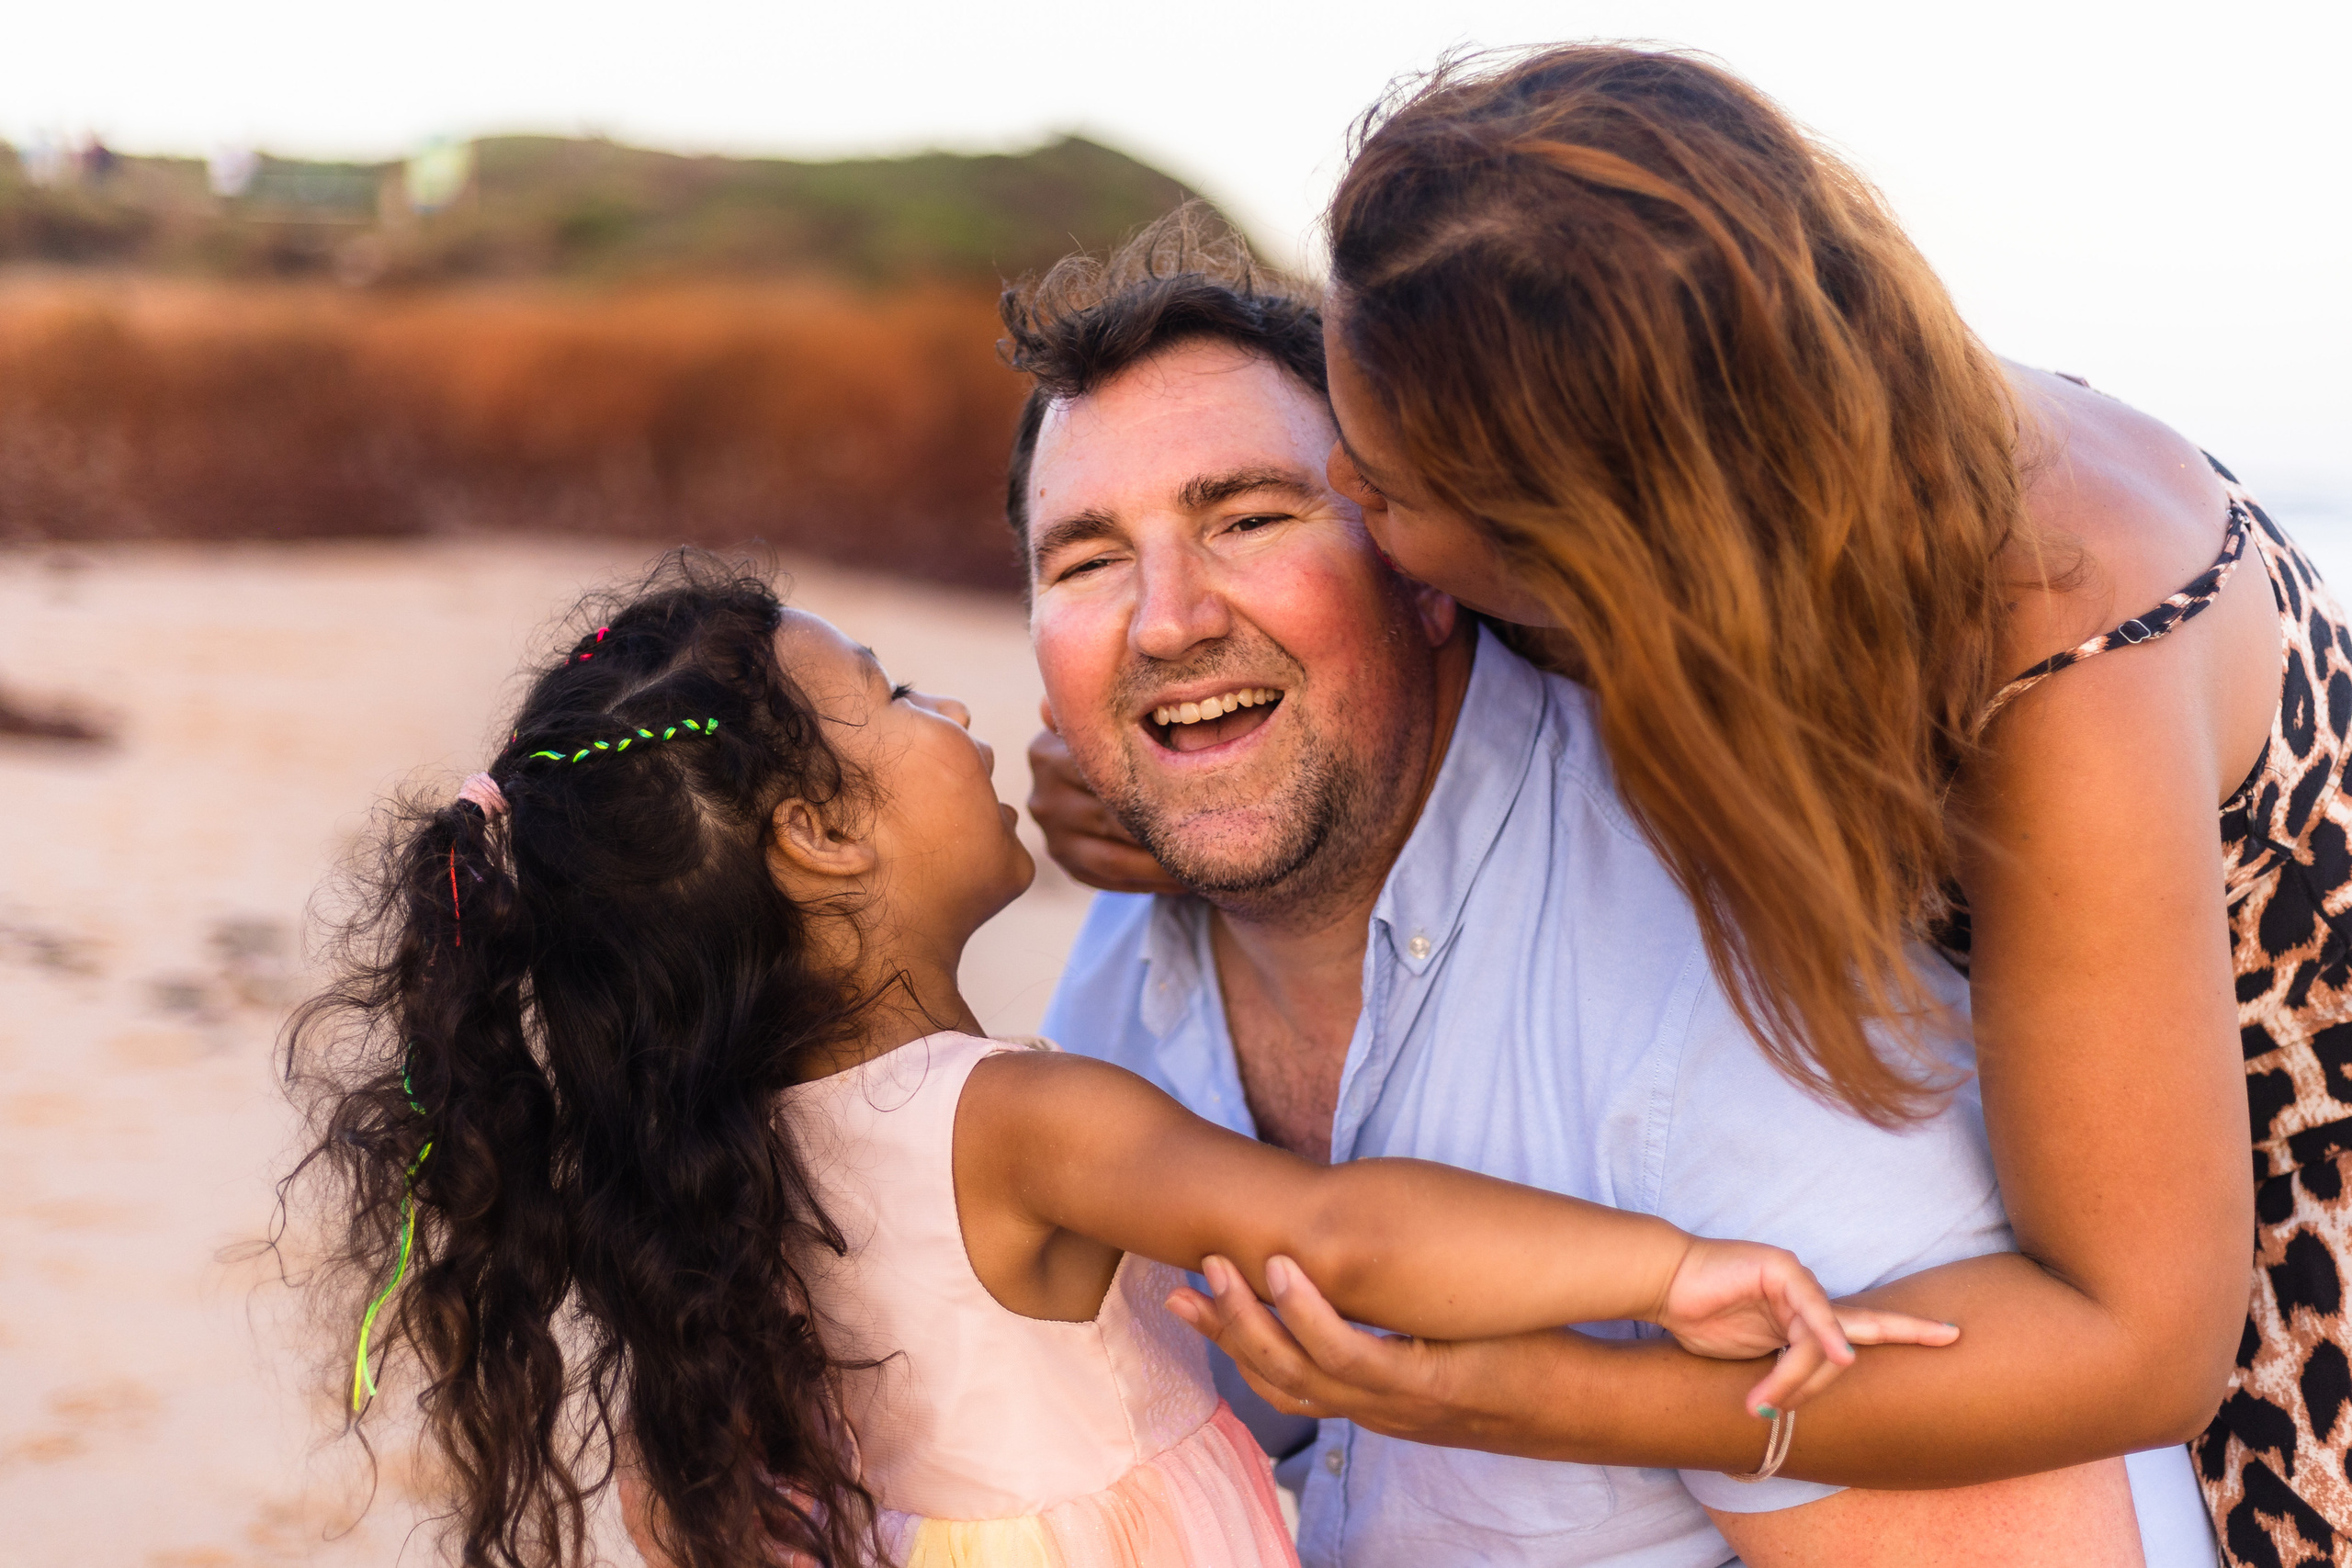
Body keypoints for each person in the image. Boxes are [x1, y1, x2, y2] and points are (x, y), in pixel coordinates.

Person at [281, 558, 1946, 1568]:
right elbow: (1338, 1228)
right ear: (815, 837)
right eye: (899, 693)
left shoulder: (707, 1166)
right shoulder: (1014, 1119)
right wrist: (1673, 1260)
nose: (962, 716)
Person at [1009, 220, 2211, 1563]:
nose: (1167, 620)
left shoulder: (1725, 996)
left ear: (1425, 572)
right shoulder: (1116, 977)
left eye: (1247, 518)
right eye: (1090, 561)